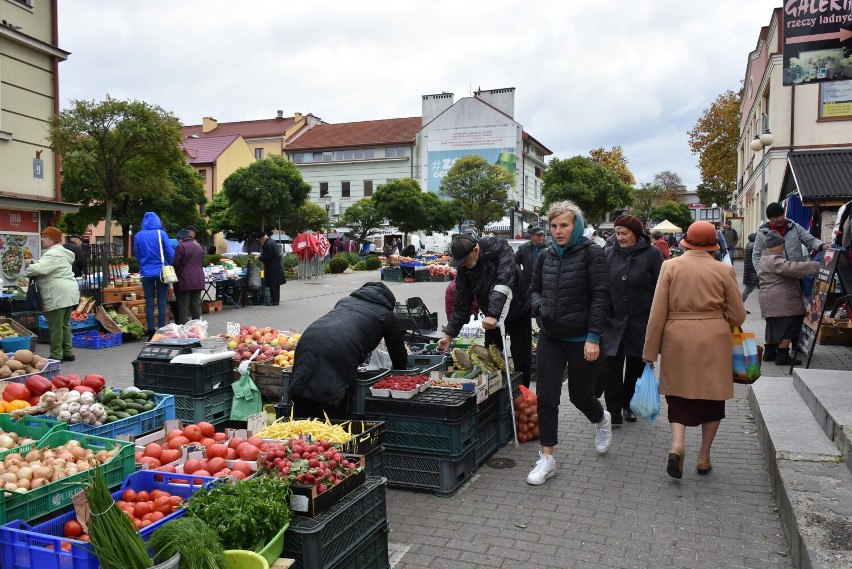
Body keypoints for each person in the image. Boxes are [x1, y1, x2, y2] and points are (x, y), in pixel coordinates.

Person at [642, 221, 746, 479]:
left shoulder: (670, 266)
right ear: (714, 244)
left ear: (685, 241)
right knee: (713, 398)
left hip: (677, 337)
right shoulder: (724, 271)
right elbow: (738, 315)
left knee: (677, 396)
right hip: (715, 338)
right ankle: (704, 457)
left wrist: (649, 352)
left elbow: (657, 313)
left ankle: (677, 445)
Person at [525, 201, 612, 486]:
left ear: (576, 226)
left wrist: (593, 337)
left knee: (579, 396)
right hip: (551, 336)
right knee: (546, 397)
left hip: (583, 339)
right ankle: (547, 457)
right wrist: (539, 308)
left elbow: (601, 296)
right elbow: (534, 289)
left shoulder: (593, 253)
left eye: (564, 225)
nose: (558, 231)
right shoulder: (545, 255)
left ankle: (601, 420)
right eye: (554, 226)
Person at [289, 282, 408, 418]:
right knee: (335, 404)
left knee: (304, 393)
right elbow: (397, 351)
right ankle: (333, 432)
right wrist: (402, 373)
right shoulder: (386, 314)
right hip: (341, 350)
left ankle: (299, 432)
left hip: (308, 340)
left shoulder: (344, 301)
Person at [437, 234, 532, 388]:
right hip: (490, 316)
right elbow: (461, 304)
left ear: (475, 250)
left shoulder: (497, 246)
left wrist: (493, 314)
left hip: (518, 309)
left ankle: (522, 395)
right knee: (489, 357)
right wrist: (449, 335)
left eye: (464, 260)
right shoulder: (464, 269)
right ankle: (496, 396)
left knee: (521, 357)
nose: (462, 265)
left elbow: (504, 279)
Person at [604, 215, 663, 426]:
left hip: (640, 321)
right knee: (611, 367)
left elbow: (660, 288)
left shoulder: (653, 254)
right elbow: (603, 285)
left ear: (636, 234)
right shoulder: (609, 253)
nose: (619, 237)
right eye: (617, 233)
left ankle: (628, 405)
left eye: (624, 233)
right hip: (614, 321)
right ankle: (612, 410)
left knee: (634, 367)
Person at [757, 230, 819, 366]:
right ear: (775, 245)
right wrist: (816, 266)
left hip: (769, 299)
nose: (783, 247)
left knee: (773, 326)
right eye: (782, 245)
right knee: (789, 326)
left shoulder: (764, 258)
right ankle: (782, 355)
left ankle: (769, 353)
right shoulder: (774, 259)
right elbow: (791, 268)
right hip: (783, 300)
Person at [23, 227, 80, 361]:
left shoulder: (52, 253)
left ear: (52, 239)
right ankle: (68, 352)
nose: (42, 239)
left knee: (55, 327)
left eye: (45, 237)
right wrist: (33, 262)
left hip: (57, 294)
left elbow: (39, 269)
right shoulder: (62, 252)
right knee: (65, 324)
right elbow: (49, 266)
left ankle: (56, 355)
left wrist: (29, 267)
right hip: (68, 292)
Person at [133, 212, 174, 337]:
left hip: (146, 272)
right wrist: (169, 264)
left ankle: (151, 330)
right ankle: (161, 330)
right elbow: (170, 252)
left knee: (149, 302)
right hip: (162, 272)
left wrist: (143, 264)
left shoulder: (138, 235)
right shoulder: (161, 234)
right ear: (158, 221)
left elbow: (137, 253)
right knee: (162, 302)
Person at [752, 202, 825, 270]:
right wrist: (761, 273)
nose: (780, 219)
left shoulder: (795, 227)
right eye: (776, 217)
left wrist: (822, 246)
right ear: (769, 219)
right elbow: (757, 256)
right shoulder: (762, 234)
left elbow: (810, 241)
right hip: (776, 278)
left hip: (797, 273)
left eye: (781, 215)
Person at [172, 229, 205, 324]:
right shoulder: (198, 246)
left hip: (185, 279)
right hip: (198, 278)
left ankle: (184, 328)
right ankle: (197, 327)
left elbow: (176, 263)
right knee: (196, 305)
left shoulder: (181, 246)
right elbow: (202, 261)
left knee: (183, 306)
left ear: (181, 239)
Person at [514, 226, 547, 293]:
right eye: (538, 235)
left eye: (542, 235)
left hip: (545, 283)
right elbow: (515, 263)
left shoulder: (549, 248)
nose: (541, 237)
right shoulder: (523, 248)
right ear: (532, 236)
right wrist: (521, 274)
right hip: (528, 283)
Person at [257, 231, 286, 306]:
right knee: (276, 285)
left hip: (272, 267)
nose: (260, 242)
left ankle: (274, 301)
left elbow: (268, 257)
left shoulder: (268, 244)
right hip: (276, 266)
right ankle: (276, 300)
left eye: (260, 240)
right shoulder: (272, 241)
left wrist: (260, 257)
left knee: (273, 284)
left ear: (262, 238)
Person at [742, 233, 758, 303]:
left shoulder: (750, 244)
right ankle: (739, 305)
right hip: (752, 271)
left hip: (749, 271)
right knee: (748, 289)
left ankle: (739, 305)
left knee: (748, 289)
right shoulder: (754, 245)